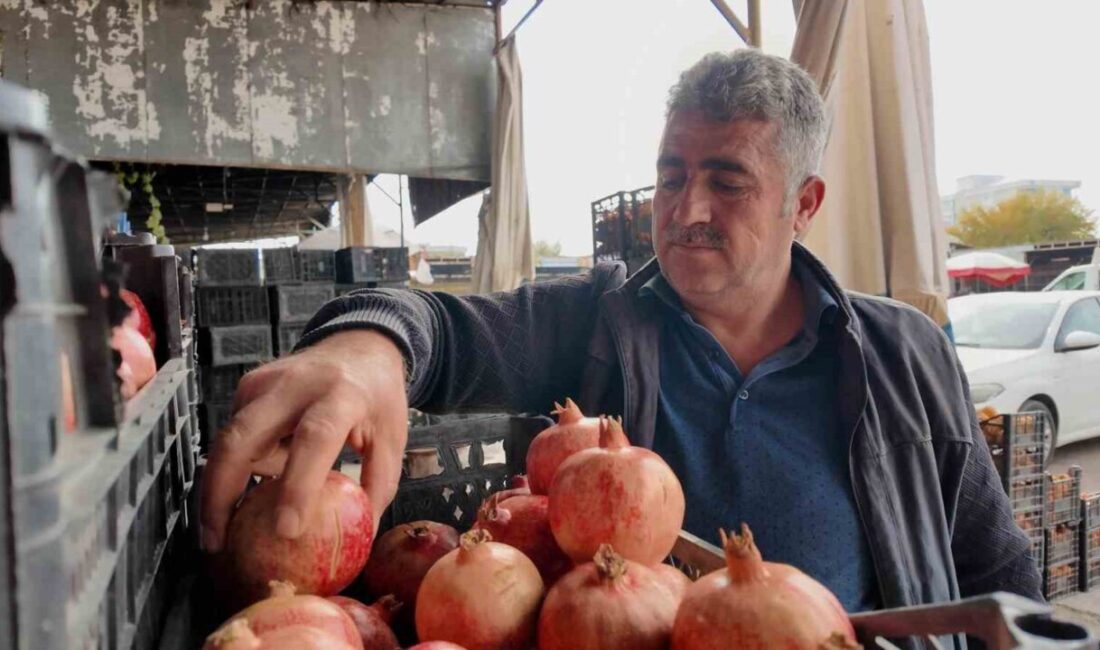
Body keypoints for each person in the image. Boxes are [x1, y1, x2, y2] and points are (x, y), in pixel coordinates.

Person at [200, 49, 1042, 613]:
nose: (686, 209)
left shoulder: (904, 353)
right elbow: (440, 326)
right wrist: (366, 349)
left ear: (805, 205)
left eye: (727, 182)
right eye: (672, 177)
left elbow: (997, 570)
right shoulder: (598, 321)